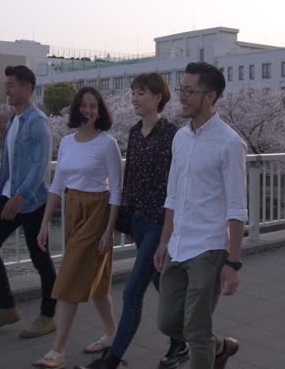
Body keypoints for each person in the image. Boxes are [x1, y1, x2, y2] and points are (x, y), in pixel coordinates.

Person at [78, 73, 188, 369]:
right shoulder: (135, 132)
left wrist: (167, 232)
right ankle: (182, 340)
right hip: (138, 221)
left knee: (132, 291)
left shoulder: (173, 135)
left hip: (158, 223)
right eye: (133, 92)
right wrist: (126, 220)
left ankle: (112, 360)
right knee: (160, 282)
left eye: (141, 93)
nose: (135, 98)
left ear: (158, 97)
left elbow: (177, 184)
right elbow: (131, 179)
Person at [153, 62, 247, 369]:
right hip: (178, 244)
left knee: (195, 328)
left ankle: (206, 348)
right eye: (182, 89)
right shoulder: (180, 138)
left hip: (209, 247)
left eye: (190, 91)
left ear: (210, 96)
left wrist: (233, 263)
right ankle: (218, 346)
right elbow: (173, 195)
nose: (182, 97)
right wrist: (164, 241)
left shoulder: (230, 143)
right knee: (167, 322)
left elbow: (237, 207)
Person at [34, 87, 123, 369]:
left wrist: (109, 230)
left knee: (69, 277)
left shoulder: (107, 144)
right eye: (83, 105)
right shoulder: (67, 142)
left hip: (97, 210)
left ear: (100, 111)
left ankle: (58, 350)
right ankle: (113, 334)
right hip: (73, 208)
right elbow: (57, 185)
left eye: (93, 106)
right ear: (76, 109)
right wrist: (44, 223)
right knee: (99, 284)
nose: (88, 110)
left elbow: (117, 189)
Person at [0, 65, 58, 338]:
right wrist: (7, 193)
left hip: (32, 200)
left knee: (40, 260)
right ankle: (7, 308)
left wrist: (20, 194)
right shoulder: (13, 120)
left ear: (27, 87)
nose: (7, 90)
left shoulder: (38, 121)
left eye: (11, 85)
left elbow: (40, 165)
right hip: (9, 196)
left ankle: (48, 316)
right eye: (7, 85)